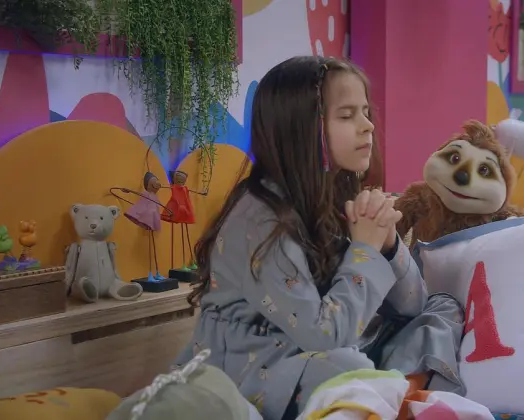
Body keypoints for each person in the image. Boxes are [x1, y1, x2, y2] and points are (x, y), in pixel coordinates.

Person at [175, 56, 464, 420]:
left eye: (365, 112)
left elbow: (413, 306)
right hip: (258, 365)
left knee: (444, 308)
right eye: (347, 115)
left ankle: (388, 394)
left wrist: (387, 243)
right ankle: (386, 395)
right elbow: (323, 336)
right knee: (344, 364)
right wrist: (365, 249)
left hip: (332, 345)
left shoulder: (337, 195)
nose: (368, 126)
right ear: (302, 129)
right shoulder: (260, 221)